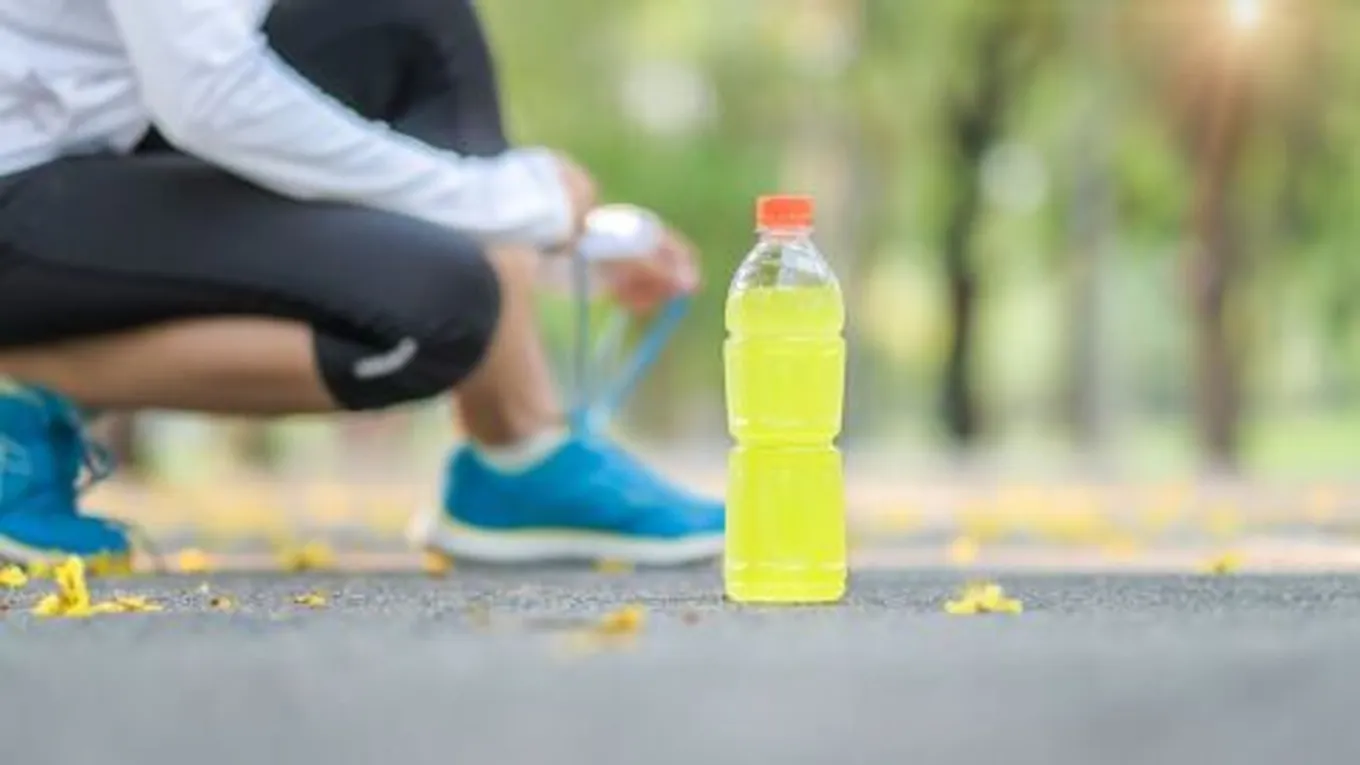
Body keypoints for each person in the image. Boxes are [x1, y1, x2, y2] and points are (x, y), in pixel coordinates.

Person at [0, 0, 723, 566]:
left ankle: (521, 453)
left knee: (408, 22)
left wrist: (554, 237)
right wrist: (510, 203)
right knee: (439, 312)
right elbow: (209, 95)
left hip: (88, 156)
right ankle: (19, 382)